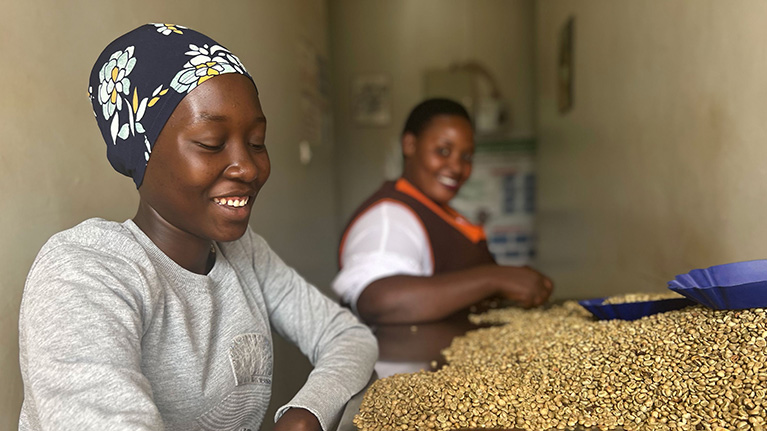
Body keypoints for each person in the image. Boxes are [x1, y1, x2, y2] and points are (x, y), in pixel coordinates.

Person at [18, 23, 377, 431]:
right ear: (143, 152)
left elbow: (348, 337)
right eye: (210, 142)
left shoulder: (245, 255)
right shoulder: (84, 272)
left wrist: (306, 414)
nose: (247, 167)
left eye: (257, 141)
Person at [332, 98, 553, 325]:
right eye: (443, 150)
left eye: (466, 157)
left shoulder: (435, 210)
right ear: (409, 145)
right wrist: (494, 278)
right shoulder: (389, 217)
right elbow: (378, 301)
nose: (457, 167)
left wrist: (510, 283)